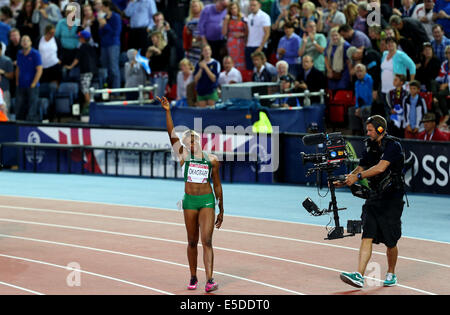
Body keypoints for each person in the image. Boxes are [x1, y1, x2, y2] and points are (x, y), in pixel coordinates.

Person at [158, 95, 224, 293]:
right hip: (189, 203)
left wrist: (222, 209)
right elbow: (171, 134)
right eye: (188, 142)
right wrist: (168, 112)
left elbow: (218, 186)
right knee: (192, 241)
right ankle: (193, 276)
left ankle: (210, 280)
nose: (191, 144)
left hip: (207, 201)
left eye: (194, 140)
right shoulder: (184, 157)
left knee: (208, 240)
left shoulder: (212, 160)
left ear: (200, 140)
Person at [336, 115, 406, 289]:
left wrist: (357, 177)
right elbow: (361, 167)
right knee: (367, 235)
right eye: (367, 130)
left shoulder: (393, 146)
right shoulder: (370, 146)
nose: (367, 133)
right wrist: (346, 179)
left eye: (370, 130)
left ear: (380, 130)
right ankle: (359, 275)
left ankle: (391, 273)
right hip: (375, 197)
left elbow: (381, 167)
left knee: (391, 242)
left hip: (392, 198)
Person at [15, 34, 43, 121]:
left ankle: (30, 124)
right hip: (21, 85)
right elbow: (18, 68)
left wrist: (34, 83)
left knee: (32, 106)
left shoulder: (35, 54)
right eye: (23, 40)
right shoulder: (19, 54)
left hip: (32, 85)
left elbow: (39, 69)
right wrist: (17, 81)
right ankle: (19, 123)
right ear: (21, 43)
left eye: (27, 40)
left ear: (30, 43)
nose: (25, 42)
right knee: (19, 106)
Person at [245, 0, 271, 71]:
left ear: (259, 5)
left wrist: (261, 47)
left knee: (260, 68)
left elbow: (267, 33)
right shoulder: (249, 16)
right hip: (249, 46)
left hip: (259, 46)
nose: (252, 7)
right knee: (250, 69)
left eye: (254, 5)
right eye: (251, 5)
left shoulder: (264, 16)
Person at [222, 1, 247, 73]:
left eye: (235, 8)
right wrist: (226, 21)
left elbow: (247, 32)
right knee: (232, 60)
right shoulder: (228, 19)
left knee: (241, 60)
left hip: (241, 43)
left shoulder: (243, 18)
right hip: (231, 43)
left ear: (238, 8)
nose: (233, 10)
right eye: (231, 9)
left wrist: (241, 34)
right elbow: (224, 33)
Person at [348, 63, 373, 135]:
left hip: (370, 104)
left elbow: (369, 97)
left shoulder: (369, 80)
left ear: (365, 71)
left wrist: (361, 108)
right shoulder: (357, 83)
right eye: (357, 72)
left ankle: (367, 133)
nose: (359, 73)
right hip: (361, 105)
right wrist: (357, 108)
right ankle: (355, 133)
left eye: (361, 71)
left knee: (365, 110)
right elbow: (357, 97)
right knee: (351, 110)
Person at [324, 27, 351, 91]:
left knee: (341, 91)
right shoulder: (329, 44)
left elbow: (348, 61)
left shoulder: (346, 45)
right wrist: (329, 70)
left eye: (336, 35)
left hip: (343, 72)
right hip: (332, 71)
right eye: (332, 36)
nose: (334, 37)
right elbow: (326, 57)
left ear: (340, 35)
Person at [146, 30, 171, 98]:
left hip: (161, 75)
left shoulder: (166, 48)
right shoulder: (152, 48)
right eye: (152, 38)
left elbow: (165, 60)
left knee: (158, 96)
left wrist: (156, 51)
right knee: (154, 96)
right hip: (152, 74)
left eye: (153, 37)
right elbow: (147, 59)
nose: (152, 39)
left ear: (158, 38)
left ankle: (159, 108)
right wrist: (149, 52)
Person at [386, 74, 409, 138]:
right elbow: (387, 106)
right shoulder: (389, 93)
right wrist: (390, 110)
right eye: (394, 80)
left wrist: (401, 111)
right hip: (392, 119)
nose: (394, 81)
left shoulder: (406, 93)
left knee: (400, 137)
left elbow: (407, 107)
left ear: (401, 82)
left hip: (402, 120)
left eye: (396, 80)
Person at [184, 0, 204, 66]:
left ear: (200, 7)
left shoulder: (205, 18)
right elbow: (186, 34)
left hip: (202, 45)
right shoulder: (188, 20)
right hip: (192, 47)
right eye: (192, 6)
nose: (194, 8)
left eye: (195, 6)